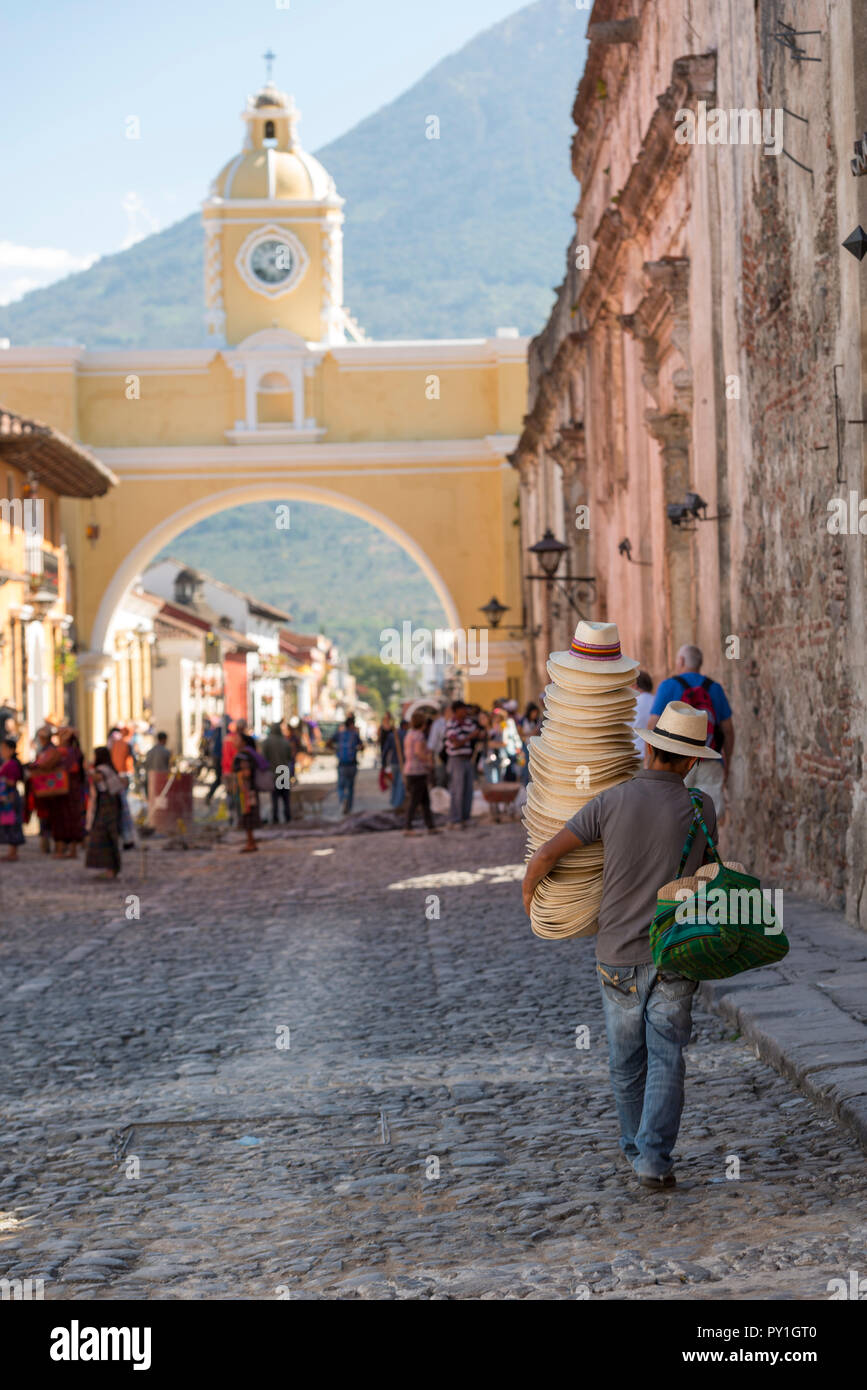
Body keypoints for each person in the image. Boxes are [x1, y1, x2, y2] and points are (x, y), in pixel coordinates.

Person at [522, 700, 720, 1189]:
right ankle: (652, 1158)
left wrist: (533, 905)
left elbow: (546, 854)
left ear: (650, 748)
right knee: (668, 1054)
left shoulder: (611, 800)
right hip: (674, 950)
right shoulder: (702, 808)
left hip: (615, 955)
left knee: (626, 1061)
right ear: (693, 761)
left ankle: (636, 1148)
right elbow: (705, 877)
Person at [647, 645, 733, 819]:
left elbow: (652, 725)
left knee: (678, 817)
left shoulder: (668, 686)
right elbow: (728, 730)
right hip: (709, 759)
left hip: (676, 763)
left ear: (681, 661)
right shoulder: (715, 688)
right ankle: (706, 847)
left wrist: (650, 761)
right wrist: (726, 762)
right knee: (710, 818)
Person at [85, 747, 125, 879]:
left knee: (105, 837)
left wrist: (86, 769)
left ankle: (111, 870)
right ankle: (111, 869)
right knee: (109, 838)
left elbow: (98, 777)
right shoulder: (109, 768)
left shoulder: (103, 769)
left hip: (106, 808)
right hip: (109, 807)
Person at [445, 700, 479, 829]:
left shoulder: (469, 723)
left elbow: (477, 734)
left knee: (468, 790)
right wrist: (470, 736)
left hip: (467, 759)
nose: (466, 712)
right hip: (456, 760)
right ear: (457, 711)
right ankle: (455, 819)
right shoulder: (451, 724)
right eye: (463, 709)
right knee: (457, 790)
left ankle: (466, 817)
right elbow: (456, 743)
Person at [403, 710, 436, 835]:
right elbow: (418, 752)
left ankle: (430, 826)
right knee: (415, 801)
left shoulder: (409, 734)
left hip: (411, 770)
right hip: (417, 771)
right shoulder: (418, 735)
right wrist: (428, 762)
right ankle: (408, 827)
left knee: (425, 801)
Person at [233, 731, 263, 853]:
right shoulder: (250, 753)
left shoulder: (243, 756)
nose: (234, 742)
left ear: (243, 742)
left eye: (237, 739)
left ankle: (250, 842)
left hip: (246, 791)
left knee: (247, 815)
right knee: (248, 815)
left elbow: (246, 772)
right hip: (250, 789)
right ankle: (251, 841)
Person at [332, 713, 364, 814]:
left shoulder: (339, 734)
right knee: (350, 787)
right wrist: (356, 749)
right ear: (352, 724)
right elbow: (362, 746)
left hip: (342, 764)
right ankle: (348, 807)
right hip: (352, 765)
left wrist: (336, 750)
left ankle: (343, 799)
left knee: (341, 786)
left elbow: (328, 742)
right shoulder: (355, 735)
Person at [0, 736, 25, 861]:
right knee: (9, 823)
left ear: (10, 750)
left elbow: (12, 781)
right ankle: (11, 852)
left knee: (13, 823)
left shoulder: (12, 764)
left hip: (10, 797)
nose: (1, 751)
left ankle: (13, 853)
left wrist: (2, 779)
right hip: (7, 797)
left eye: (3, 748)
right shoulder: (7, 763)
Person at [263, 719, 293, 823]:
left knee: (275, 798)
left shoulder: (267, 742)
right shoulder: (285, 742)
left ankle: (275, 818)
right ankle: (287, 817)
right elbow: (290, 758)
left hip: (273, 773)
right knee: (286, 799)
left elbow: (264, 758)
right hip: (284, 772)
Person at [631, 671, 655, 756]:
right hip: (654, 756)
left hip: (634, 754)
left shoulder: (631, 705)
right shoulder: (657, 702)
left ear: (635, 686)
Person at [426, 705, 449, 788]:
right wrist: (430, 758)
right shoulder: (438, 724)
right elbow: (432, 742)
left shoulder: (453, 722)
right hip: (440, 755)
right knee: (441, 778)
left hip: (451, 756)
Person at [204, 718, 224, 803]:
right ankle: (209, 795)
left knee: (219, 779)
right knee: (220, 779)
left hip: (216, 758)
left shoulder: (215, 733)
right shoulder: (221, 733)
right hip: (220, 759)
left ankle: (209, 795)